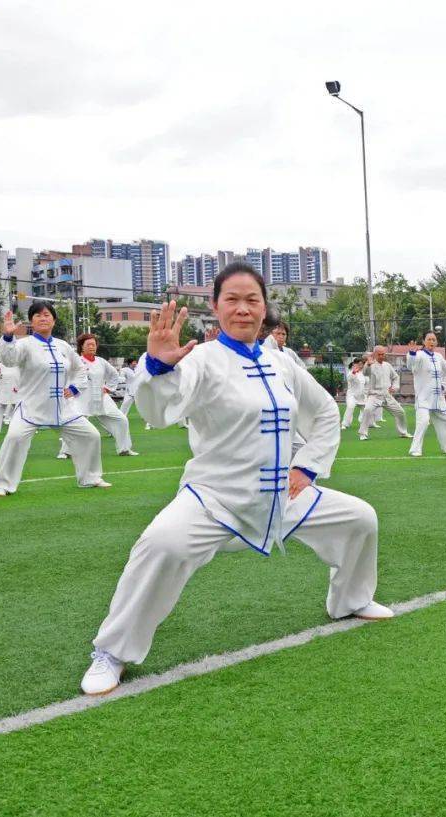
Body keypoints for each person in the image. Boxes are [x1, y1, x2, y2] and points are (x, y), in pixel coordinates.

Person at [80, 264, 392, 696]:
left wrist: (307, 467)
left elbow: (322, 412)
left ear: (265, 308)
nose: (243, 309)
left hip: (280, 496)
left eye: (253, 300)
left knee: (361, 518)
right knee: (161, 545)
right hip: (215, 498)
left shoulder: (279, 361)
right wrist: (157, 365)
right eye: (232, 300)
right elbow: (156, 412)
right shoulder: (202, 360)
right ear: (215, 306)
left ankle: (351, 600)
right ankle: (112, 651)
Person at [0, 302, 110, 496]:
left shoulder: (63, 346)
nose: (43, 318)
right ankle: (3, 484)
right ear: (31, 322)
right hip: (31, 406)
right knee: (14, 438)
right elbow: (8, 360)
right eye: (37, 315)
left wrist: (74, 387)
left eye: (46, 315)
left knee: (91, 435)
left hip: (62, 407)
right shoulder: (24, 345)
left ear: (53, 320)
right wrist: (8, 336)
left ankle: (90, 477)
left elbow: (80, 369)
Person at [58, 334, 138, 459]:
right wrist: (68, 390)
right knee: (74, 423)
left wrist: (108, 388)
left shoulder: (101, 361)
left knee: (121, 420)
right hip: (81, 399)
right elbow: (65, 376)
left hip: (102, 398)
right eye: (88, 345)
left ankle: (124, 449)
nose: (91, 347)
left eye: (93, 344)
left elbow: (114, 375)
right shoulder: (76, 362)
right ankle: (65, 451)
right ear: (81, 347)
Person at [406, 332, 446, 457]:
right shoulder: (418, 355)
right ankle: (415, 449)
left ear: (436, 342)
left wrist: (443, 385)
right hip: (423, 398)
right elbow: (410, 365)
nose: (431, 342)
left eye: (433, 339)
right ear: (424, 342)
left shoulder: (439, 356)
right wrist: (412, 353)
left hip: (438, 398)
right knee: (423, 422)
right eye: (429, 339)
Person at [357, 346, 408, 440]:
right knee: (367, 410)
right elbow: (365, 372)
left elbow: (395, 377)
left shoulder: (387, 365)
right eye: (379, 354)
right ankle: (363, 434)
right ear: (375, 355)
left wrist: (394, 387)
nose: (381, 356)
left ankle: (403, 432)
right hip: (374, 396)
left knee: (400, 412)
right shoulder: (370, 364)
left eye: (383, 354)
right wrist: (368, 364)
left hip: (387, 396)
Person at [0, 362, 20, 435]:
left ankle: (26, 427)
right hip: (2, 393)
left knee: (21, 410)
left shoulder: (20, 365)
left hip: (17, 393)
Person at [340, 360, 367, 430]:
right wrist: (354, 372)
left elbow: (365, 383)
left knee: (366, 409)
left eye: (361, 364)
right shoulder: (350, 373)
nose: (359, 366)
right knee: (350, 407)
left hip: (361, 396)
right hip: (351, 395)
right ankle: (344, 424)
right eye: (357, 364)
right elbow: (350, 378)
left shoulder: (363, 374)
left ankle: (363, 422)